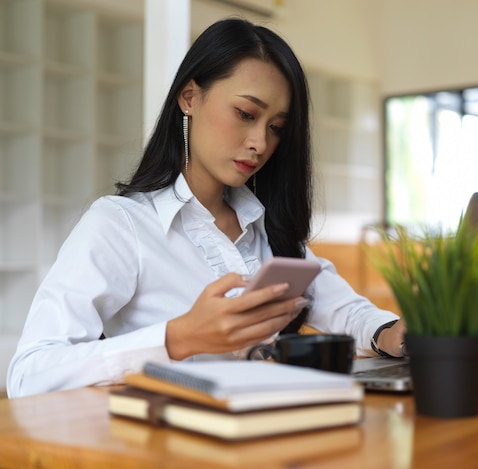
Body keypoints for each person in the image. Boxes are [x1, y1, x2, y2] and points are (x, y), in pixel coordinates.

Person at [6, 18, 405, 398]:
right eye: (246, 114)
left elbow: (349, 312)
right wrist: (178, 338)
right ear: (190, 97)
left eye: (275, 127)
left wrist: (395, 334)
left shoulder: (269, 228)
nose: (259, 143)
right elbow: (29, 374)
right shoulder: (121, 224)